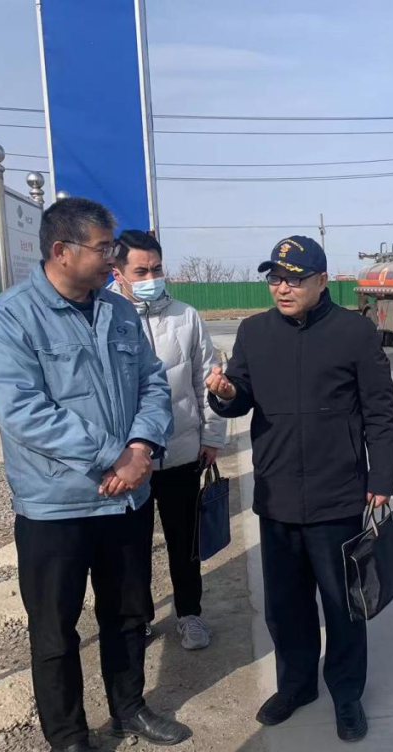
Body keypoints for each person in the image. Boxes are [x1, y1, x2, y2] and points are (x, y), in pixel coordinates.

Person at [0, 198, 190, 752]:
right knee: (55, 628)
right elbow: (23, 411)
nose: (113, 258)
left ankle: (129, 706)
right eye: (104, 248)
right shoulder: (11, 318)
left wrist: (141, 447)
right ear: (61, 251)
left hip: (125, 499)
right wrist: (111, 455)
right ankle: (69, 738)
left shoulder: (117, 311)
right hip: (56, 507)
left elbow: (152, 381)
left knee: (129, 612)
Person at [204, 235, 393, 742]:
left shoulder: (354, 332)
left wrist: (381, 479)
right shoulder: (254, 332)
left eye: (294, 278)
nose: (282, 288)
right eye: (275, 278)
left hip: (338, 495)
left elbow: (380, 412)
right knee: (286, 605)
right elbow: (240, 396)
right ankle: (296, 685)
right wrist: (226, 394)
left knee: (343, 604)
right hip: (277, 493)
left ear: (322, 280)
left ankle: (347, 694)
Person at [110, 229, 227, 651]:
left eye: (156, 269)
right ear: (118, 273)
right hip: (128, 462)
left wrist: (211, 435)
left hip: (181, 453)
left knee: (185, 543)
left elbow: (205, 380)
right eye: (141, 271)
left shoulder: (186, 317)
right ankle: (139, 618)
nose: (151, 278)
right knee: (131, 547)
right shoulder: (104, 317)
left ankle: (190, 614)